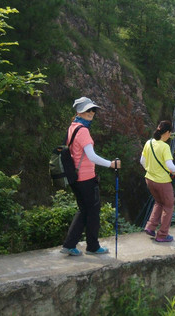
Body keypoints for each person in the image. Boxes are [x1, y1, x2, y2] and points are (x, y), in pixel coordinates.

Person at [60, 97, 119, 256]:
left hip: (75, 178)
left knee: (84, 210)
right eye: (88, 110)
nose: (91, 113)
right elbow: (91, 156)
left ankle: (69, 244)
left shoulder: (73, 126)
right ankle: (92, 246)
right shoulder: (83, 130)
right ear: (79, 111)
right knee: (93, 212)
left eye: (93, 110)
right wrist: (111, 164)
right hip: (86, 179)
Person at [141, 120, 175, 243]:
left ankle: (150, 227)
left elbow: (142, 161)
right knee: (168, 206)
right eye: (170, 133)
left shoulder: (148, 143)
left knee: (159, 202)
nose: (170, 135)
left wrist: (151, 170)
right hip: (162, 182)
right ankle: (162, 235)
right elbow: (170, 166)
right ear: (166, 132)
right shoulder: (165, 147)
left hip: (149, 179)